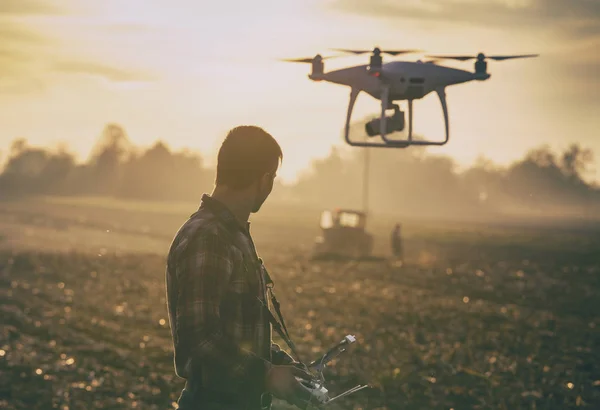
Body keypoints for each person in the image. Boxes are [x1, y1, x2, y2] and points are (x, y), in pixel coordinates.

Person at [165, 126, 314, 410]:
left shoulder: (231, 234)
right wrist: (267, 375)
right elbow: (200, 338)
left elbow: (237, 333)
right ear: (265, 180)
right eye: (272, 179)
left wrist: (282, 366)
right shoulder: (209, 237)